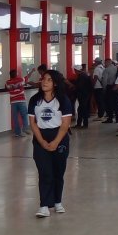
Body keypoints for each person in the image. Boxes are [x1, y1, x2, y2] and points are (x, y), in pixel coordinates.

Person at [28, 70, 72, 217]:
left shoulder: (63, 100)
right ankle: (44, 205)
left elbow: (65, 124)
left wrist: (55, 142)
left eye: (48, 80)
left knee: (58, 172)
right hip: (41, 137)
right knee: (45, 172)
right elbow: (33, 123)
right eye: (43, 79)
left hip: (59, 137)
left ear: (55, 83)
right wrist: (42, 141)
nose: (44, 82)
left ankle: (58, 202)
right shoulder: (35, 100)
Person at [5, 69, 28, 136]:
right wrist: (32, 71)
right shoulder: (20, 79)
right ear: (16, 74)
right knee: (24, 115)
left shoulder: (7, 82)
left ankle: (17, 133)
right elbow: (26, 78)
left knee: (15, 117)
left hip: (13, 101)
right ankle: (25, 129)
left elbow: (6, 87)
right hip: (21, 100)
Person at [101, 58, 118, 123]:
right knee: (116, 103)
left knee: (109, 103)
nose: (104, 64)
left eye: (105, 62)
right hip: (117, 87)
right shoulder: (117, 68)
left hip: (110, 87)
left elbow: (104, 81)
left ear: (108, 62)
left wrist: (104, 89)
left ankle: (110, 118)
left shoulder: (107, 70)